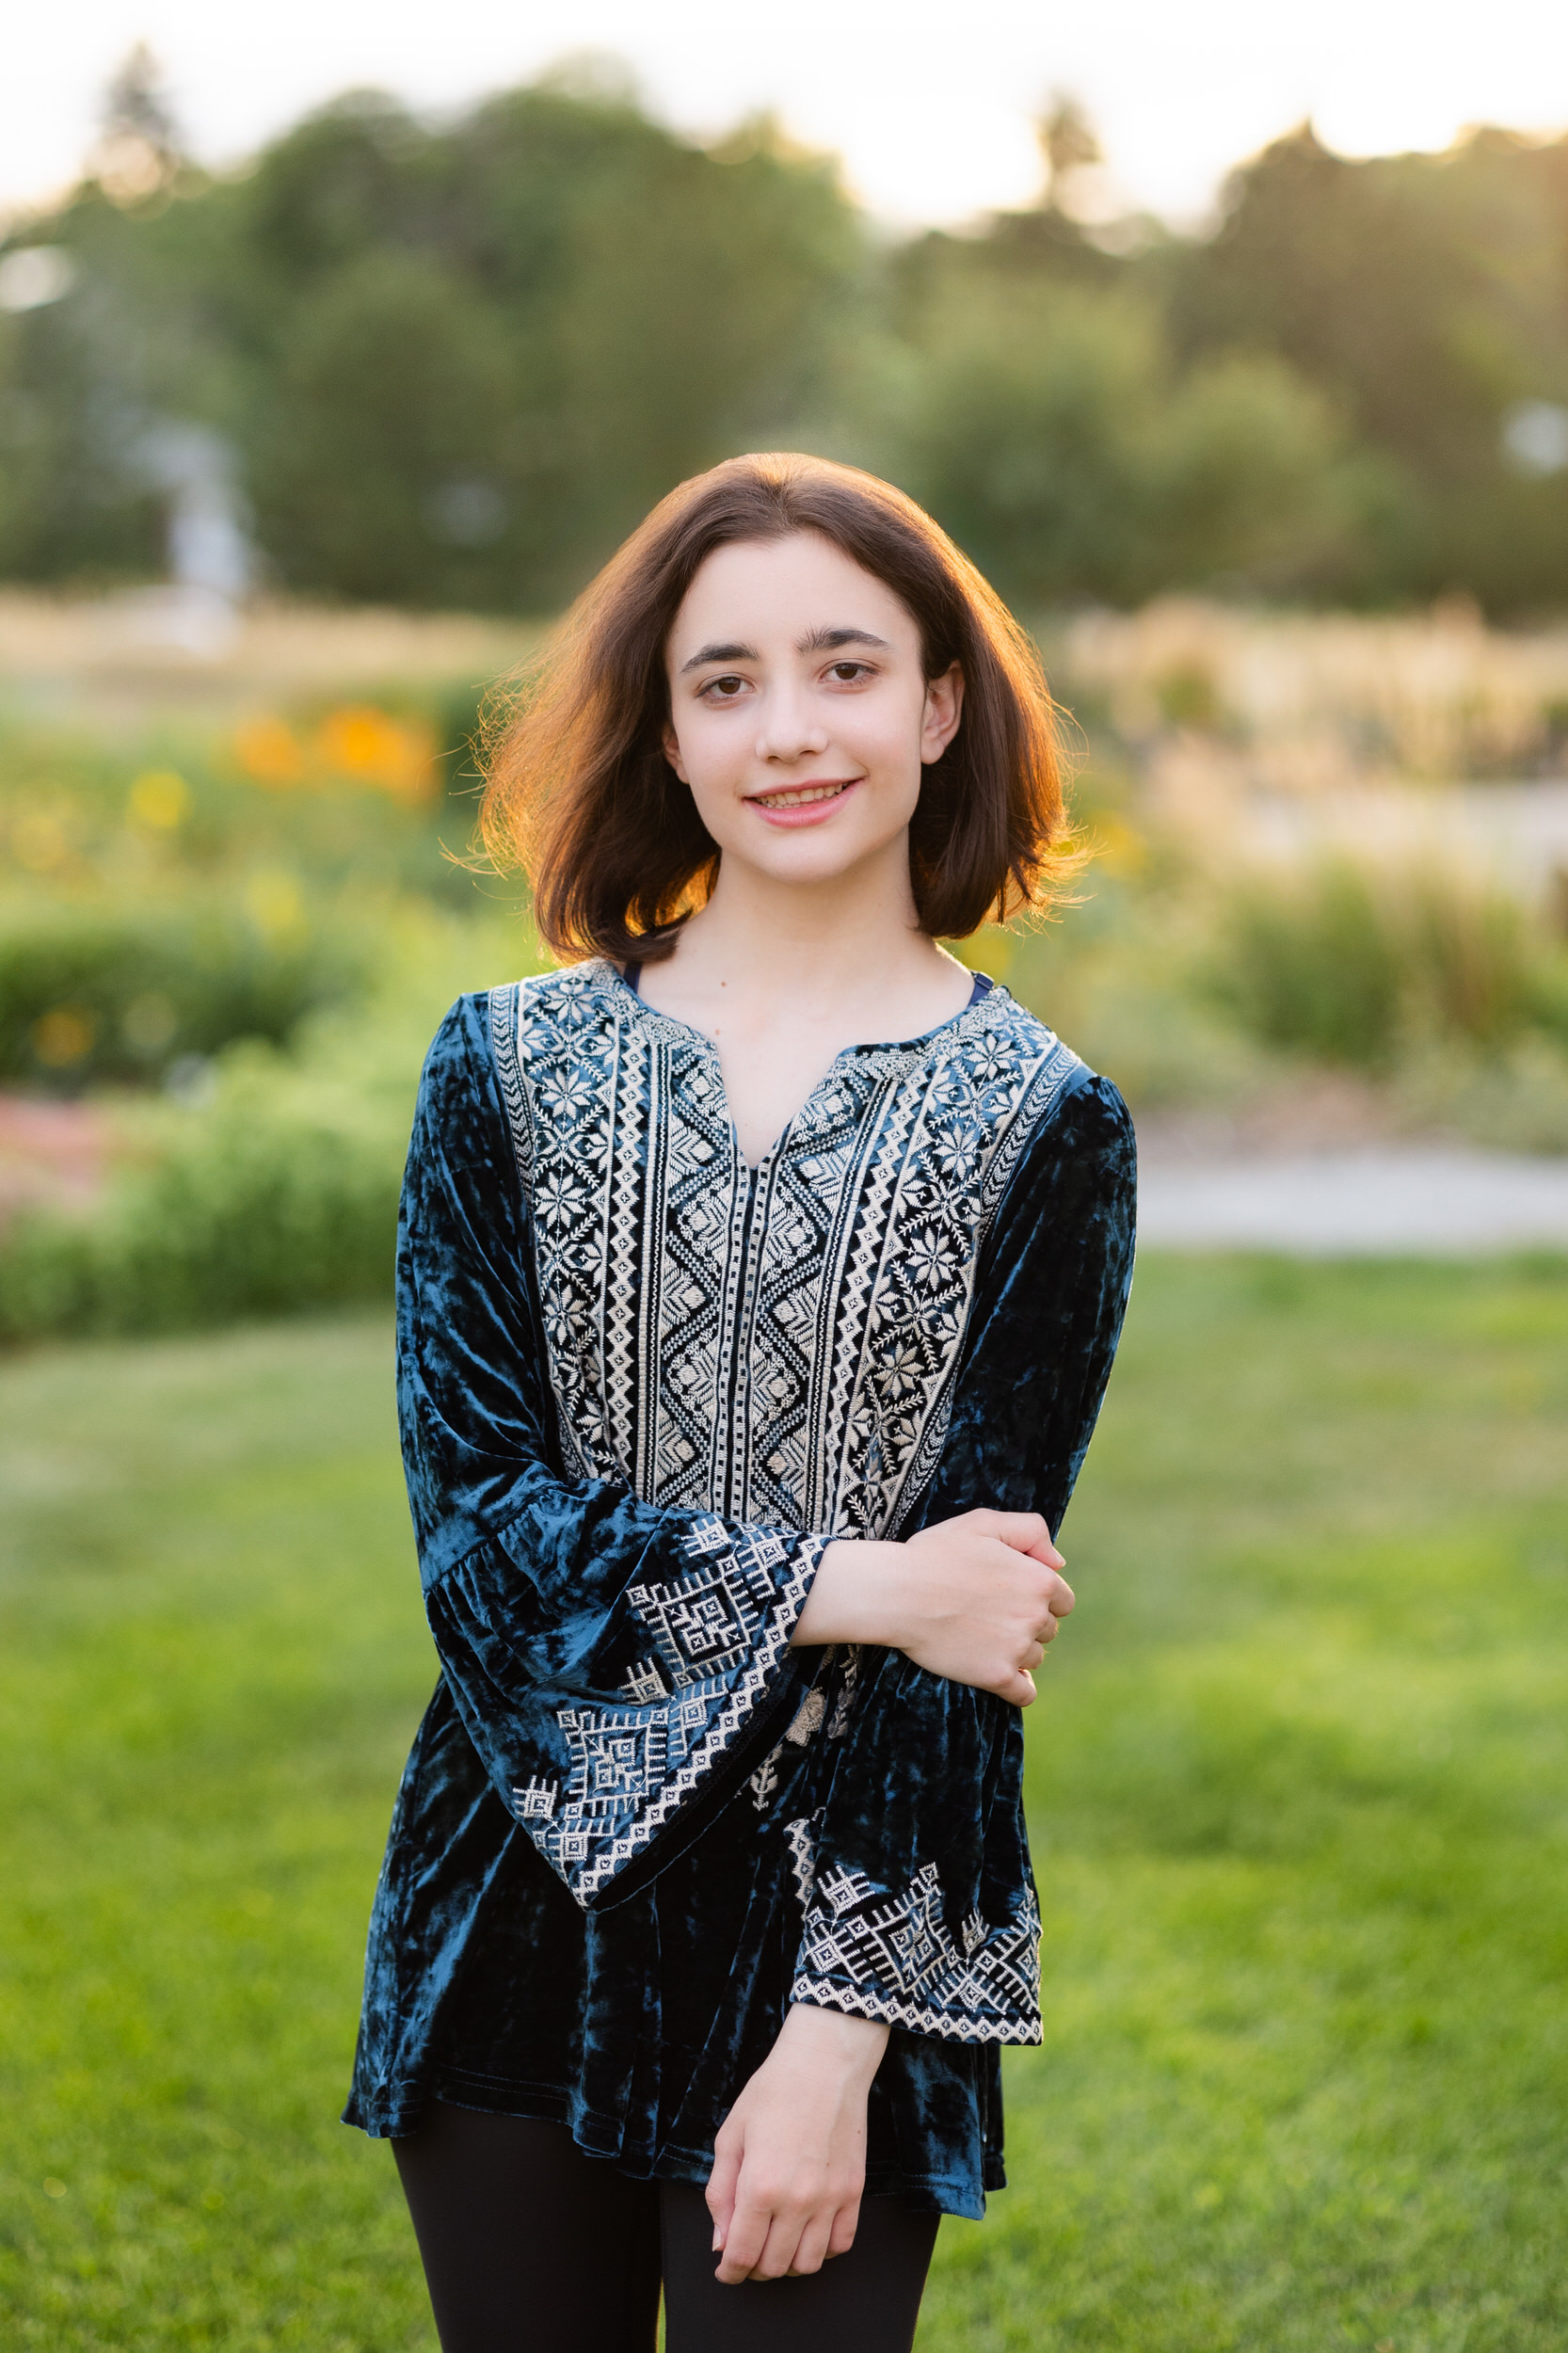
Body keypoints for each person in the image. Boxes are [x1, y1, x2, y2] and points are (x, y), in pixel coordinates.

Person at [344, 452, 1137, 2352]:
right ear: (671, 736)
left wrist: (831, 2043)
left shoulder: (1043, 1127)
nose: (788, 730)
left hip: (832, 1945)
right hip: (505, 1914)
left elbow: (977, 1641)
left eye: (844, 667)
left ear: (941, 705)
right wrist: (856, 1586)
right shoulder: (503, 1069)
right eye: (724, 682)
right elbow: (482, 1546)